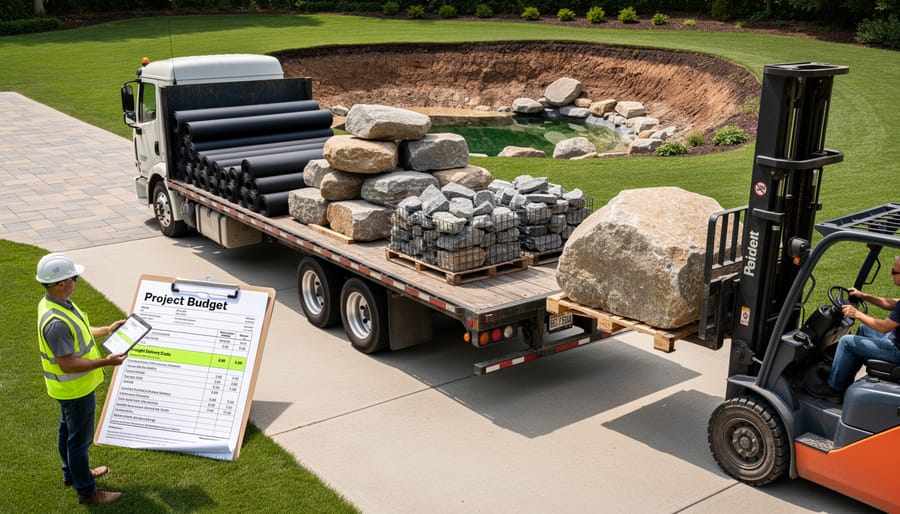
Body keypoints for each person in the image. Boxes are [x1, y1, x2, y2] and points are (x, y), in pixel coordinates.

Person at [36, 253, 128, 505]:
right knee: (79, 442)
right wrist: (106, 362)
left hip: (68, 391)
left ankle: (72, 474)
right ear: (61, 283)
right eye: (74, 277)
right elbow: (67, 364)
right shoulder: (56, 323)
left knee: (67, 431)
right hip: (75, 390)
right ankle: (87, 492)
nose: (78, 280)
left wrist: (108, 329)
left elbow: (84, 333)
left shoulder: (58, 304)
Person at [808, 255, 900, 399]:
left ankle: (833, 388)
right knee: (864, 329)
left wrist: (857, 314)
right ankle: (845, 376)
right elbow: (892, 303)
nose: (891, 275)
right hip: (895, 339)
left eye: (894, 272)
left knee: (846, 342)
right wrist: (864, 296)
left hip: (896, 350)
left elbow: (883, 327)